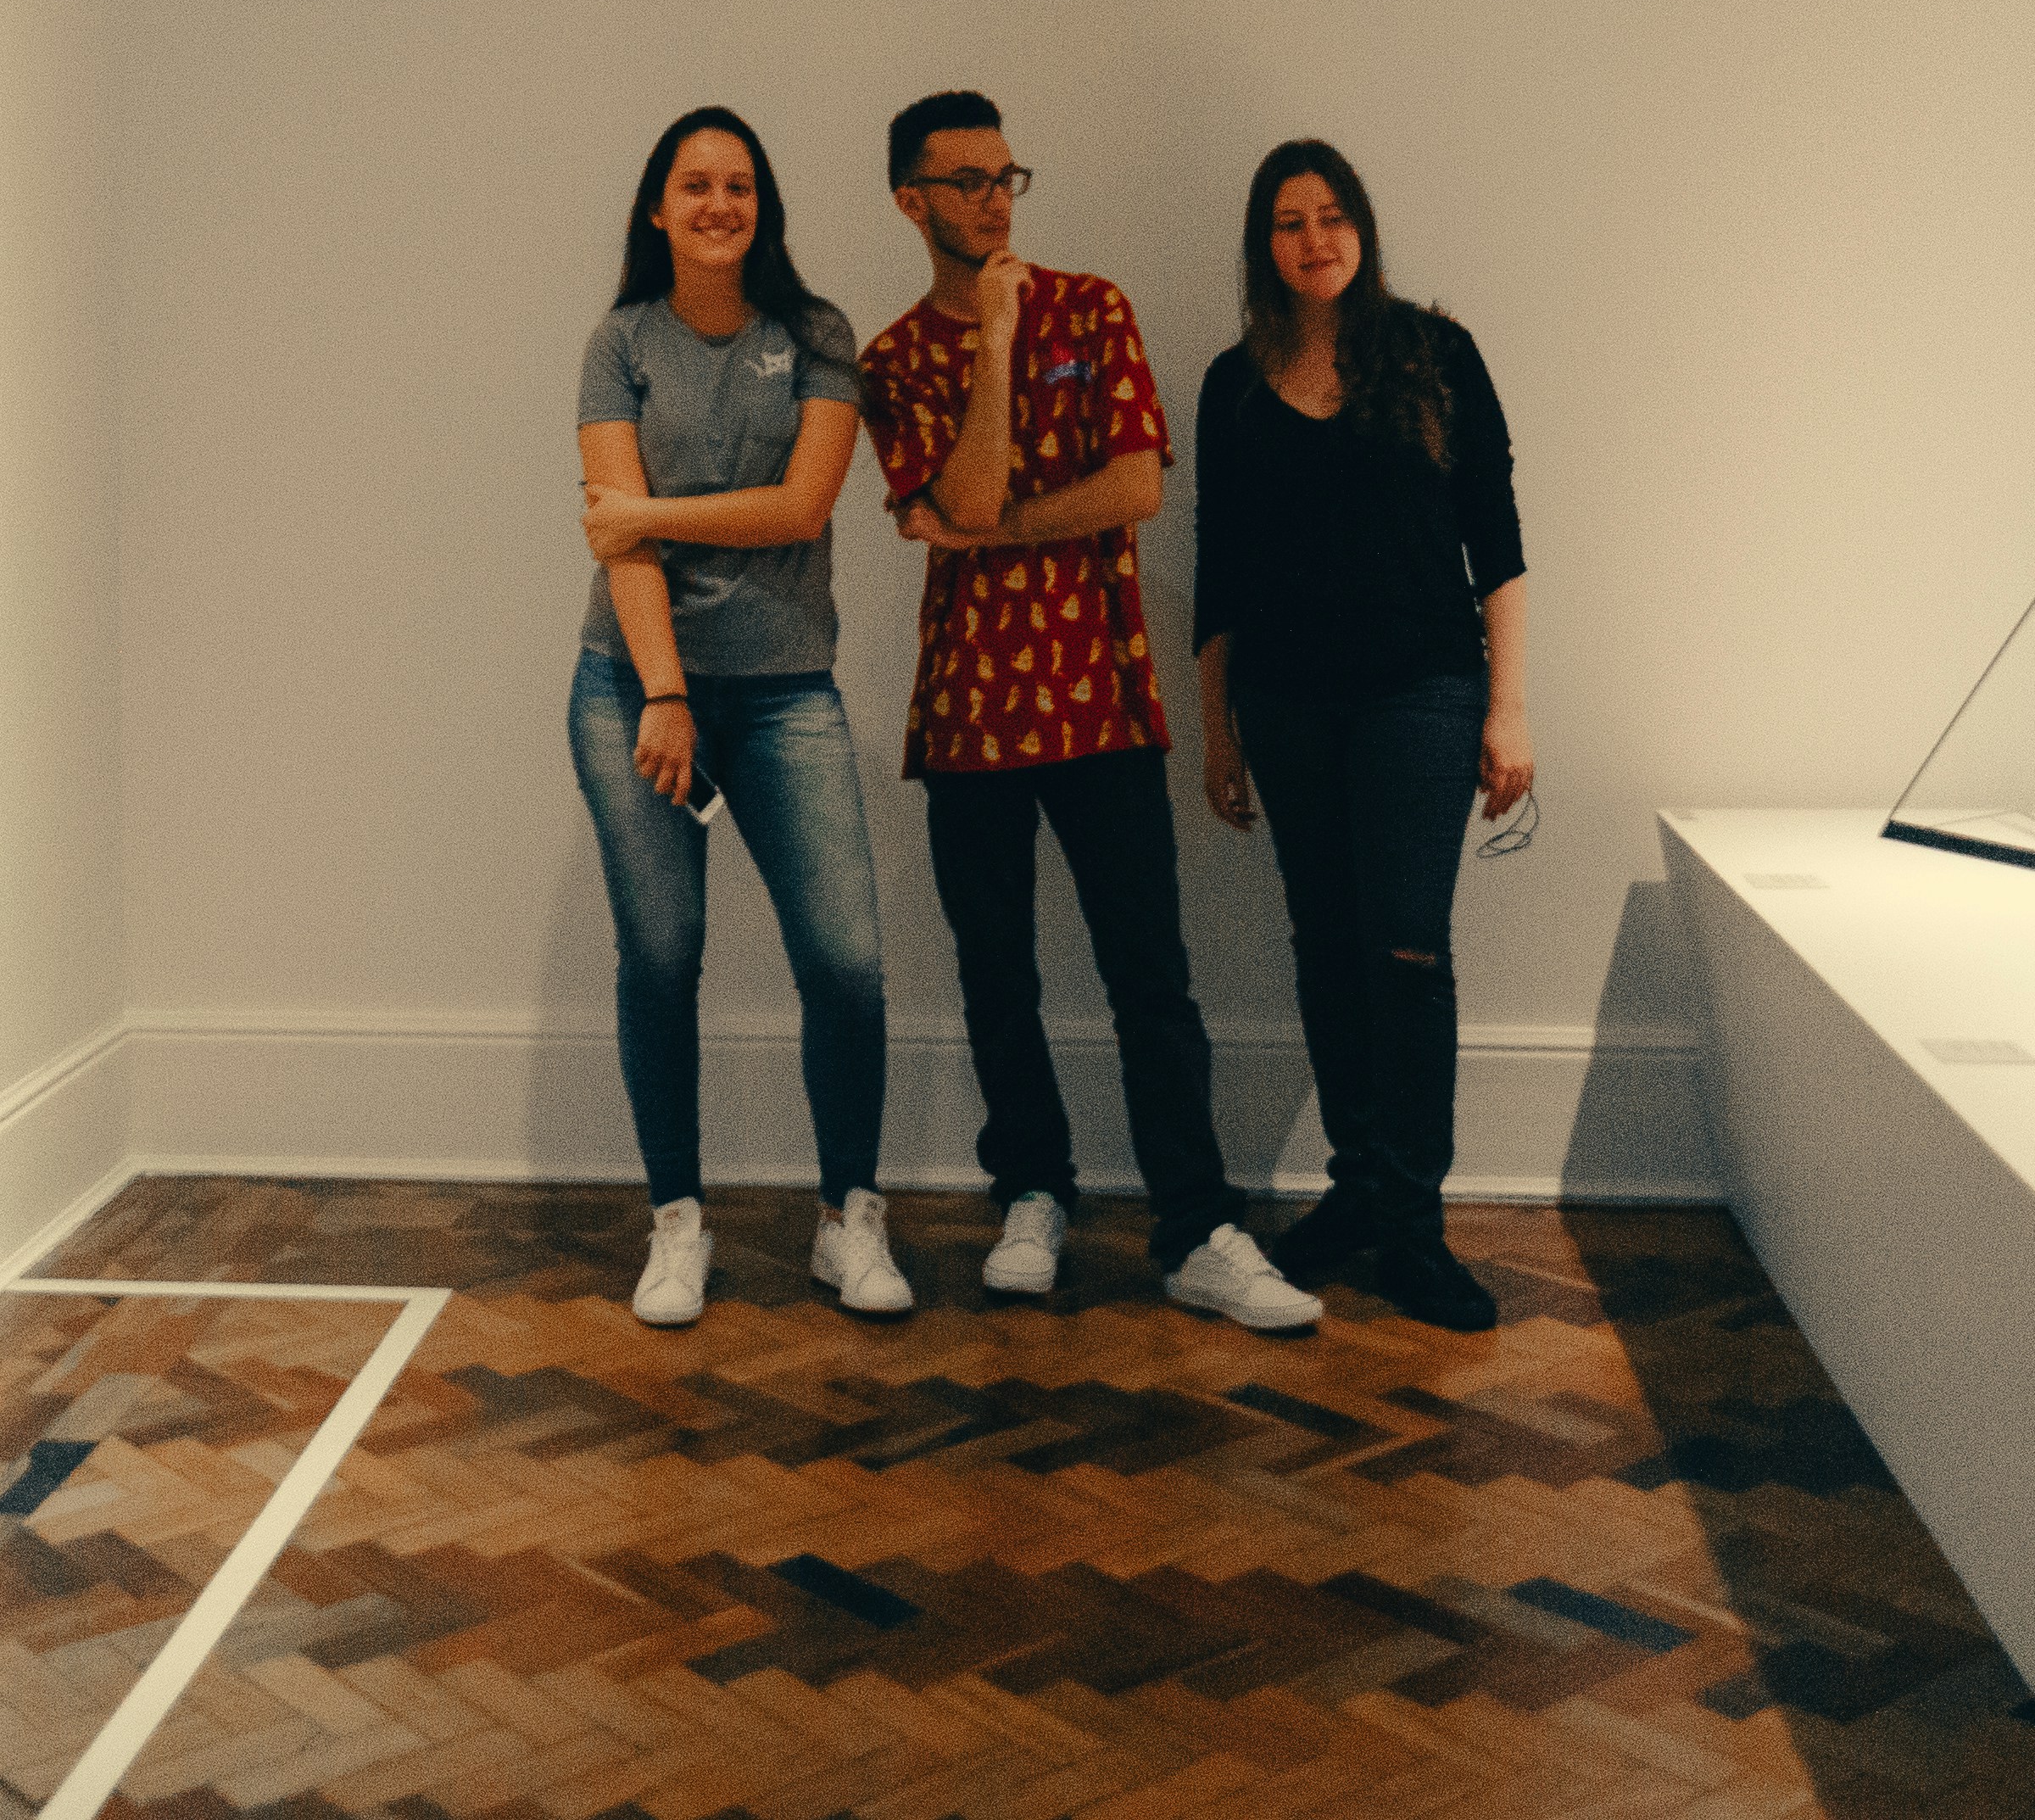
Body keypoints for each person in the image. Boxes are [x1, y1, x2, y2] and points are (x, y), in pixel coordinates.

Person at [859, 92, 1318, 1332]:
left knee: (1150, 978)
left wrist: (982, 529)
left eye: (1008, 175)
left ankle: (1197, 1226)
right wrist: (996, 349)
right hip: (969, 712)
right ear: (913, 201)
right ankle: (1032, 1193)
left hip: (1102, 697)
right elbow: (946, 490)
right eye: (966, 181)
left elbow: (1133, 488)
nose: (996, 198)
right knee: (995, 973)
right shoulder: (895, 359)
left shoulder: (1096, 307)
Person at [569, 106, 906, 1325]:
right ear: (658, 209)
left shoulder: (817, 336)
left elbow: (804, 507)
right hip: (635, 684)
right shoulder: (620, 344)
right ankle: (677, 1225)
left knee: (849, 965)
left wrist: (650, 512)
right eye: (696, 186)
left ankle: (849, 1220)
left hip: (783, 693)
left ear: (763, 208)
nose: (720, 205)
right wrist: (664, 691)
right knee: (661, 960)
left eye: (741, 187)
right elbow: (619, 552)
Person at [1191, 139, 1534, 1332]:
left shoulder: (1437, 353)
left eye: (1332, 216)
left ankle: (1415, 1224)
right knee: (1325, 945)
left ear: (1363, 229)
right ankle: (1357, 1188)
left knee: (1406, 949)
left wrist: (1510, 705)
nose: (1315, 239)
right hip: (1285, 702)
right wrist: (1217, 737)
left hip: (1421, 695)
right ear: (1264, 245)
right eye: (1289, 222)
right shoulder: (1233, 383)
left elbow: (1497, 533)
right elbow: (1216, 573)